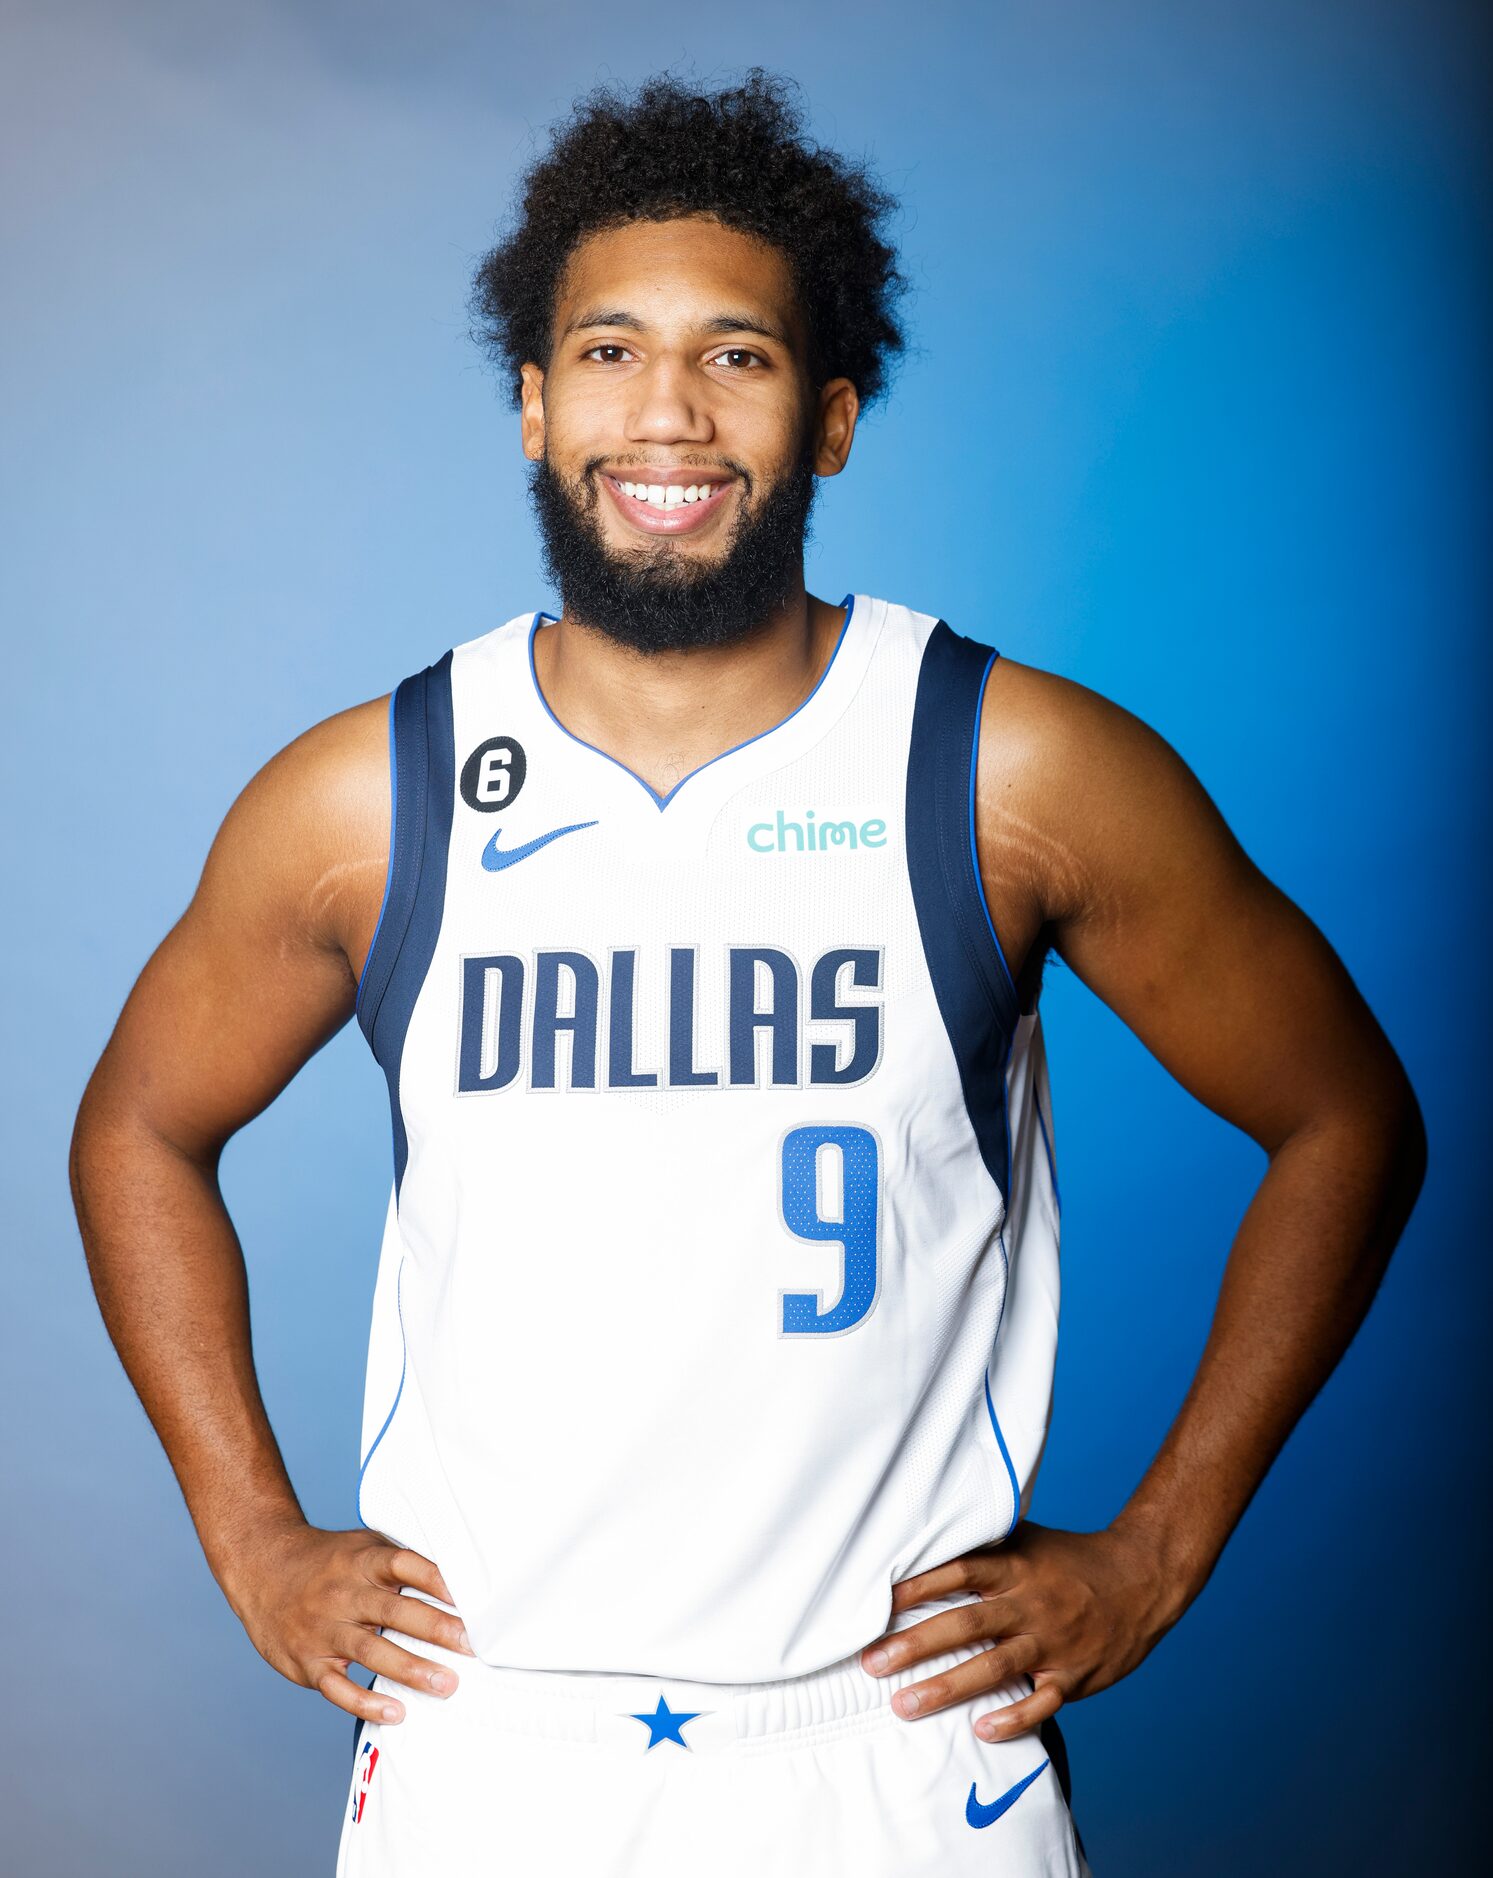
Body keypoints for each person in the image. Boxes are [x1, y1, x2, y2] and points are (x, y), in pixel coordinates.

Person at [69, 69, 1425, 1878]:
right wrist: (250, 1530)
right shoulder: (368, 798)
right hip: (497, 1734)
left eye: (740, 357)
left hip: (891, 1740)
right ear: (536, 407)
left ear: (835, 417)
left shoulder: (1005, 770)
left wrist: (1160, 1544)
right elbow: (138, 1126)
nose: (670, 414)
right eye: (612, 352)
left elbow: (1347, 1118)